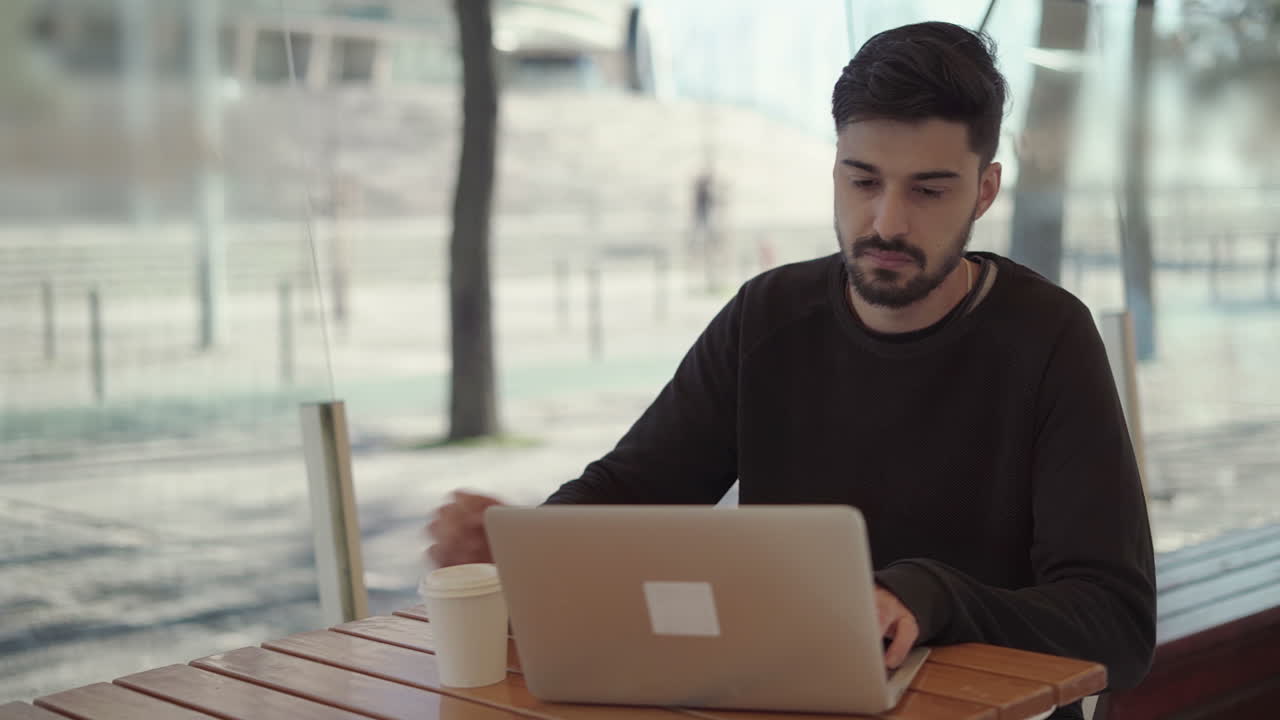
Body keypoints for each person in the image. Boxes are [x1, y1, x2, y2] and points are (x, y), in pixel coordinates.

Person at [428, 21, 1155, 719]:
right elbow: (635, 491)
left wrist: (926, 597)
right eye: (862, 180)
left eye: (928, 191)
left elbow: (1116, 622)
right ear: (835, 168)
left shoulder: (1047, 336)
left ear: (986, 190)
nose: (886, 223)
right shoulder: (767, 317)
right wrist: (527, 549)